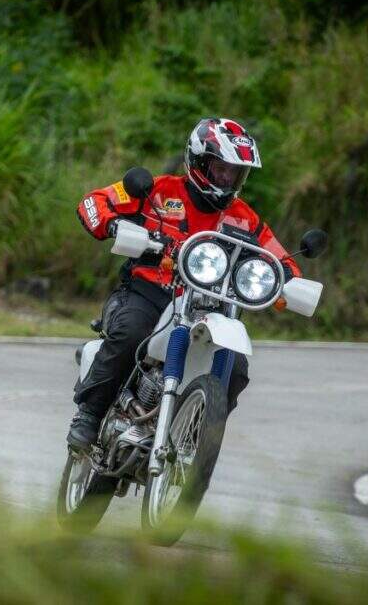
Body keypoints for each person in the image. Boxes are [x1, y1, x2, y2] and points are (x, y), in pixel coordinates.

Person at [67, 118, 302, 450]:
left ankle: (193, 438)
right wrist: (114, 225)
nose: (226, 178)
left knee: (235, 366)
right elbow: (94, 202)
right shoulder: (158, 190)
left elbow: (281, 258)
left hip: (211, 308)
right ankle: (89, 415)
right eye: (220, 168)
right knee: (131, 333)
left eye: (234, 172)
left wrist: (288, 279)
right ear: (199, 160)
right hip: (150, 292)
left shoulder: (245, 217)